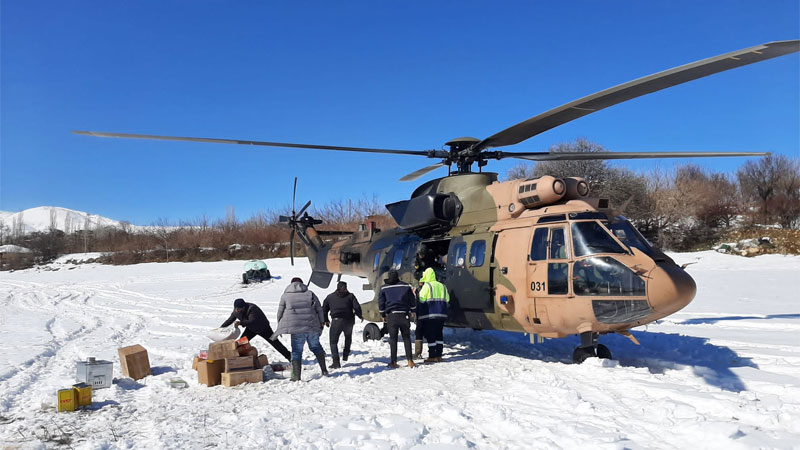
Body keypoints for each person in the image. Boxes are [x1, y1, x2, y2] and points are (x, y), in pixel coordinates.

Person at [272, 277, 327, 381]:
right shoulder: (310, 293)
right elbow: (319, 309)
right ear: (302, 284)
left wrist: (280, 325)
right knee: (316, 347)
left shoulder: (286, 296)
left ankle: (296, 377)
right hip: (311, 326)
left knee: (297, 352)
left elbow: (280, 312)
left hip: (296, 328)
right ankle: (324, 370)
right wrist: (321, 322)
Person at [220, 298, 291, 361]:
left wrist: (240, 323)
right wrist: (221, 328)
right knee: (241, 342)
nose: (237, 310)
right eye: (236, 309)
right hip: (251, 329)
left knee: (275, 343)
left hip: (263, 328)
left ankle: (289, 356)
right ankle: (239, 361)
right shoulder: (236, 311)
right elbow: (230, 319)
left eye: (239, 309)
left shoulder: (252, 308)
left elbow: (252, 321)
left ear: (244, 307)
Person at [378, 269, 416, 369]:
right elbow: (412, 300)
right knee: (406, 338)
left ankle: (394, 362)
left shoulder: (384, 288)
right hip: (404, 315)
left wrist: (383, 315)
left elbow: (381, 303)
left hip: (392, 316)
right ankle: (410, 360)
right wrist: (413, 311)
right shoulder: (406, 286)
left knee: (393, 339)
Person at [322, 281, 363, 369]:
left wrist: (325, 320)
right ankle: (345, 354)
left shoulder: (330, 297)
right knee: (348, 337)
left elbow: (324, 309)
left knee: (333, 341)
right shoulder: (350, 296)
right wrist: (360, 315)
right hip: (349, 320)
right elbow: (357, 307)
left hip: (337, 321)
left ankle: (336, 362)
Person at [417, 267, 450, 363]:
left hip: (430, 314)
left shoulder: (427, 286)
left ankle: (432, 356)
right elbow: (447, 299)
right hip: (442, 315)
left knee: (430, 335)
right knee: (439, 334)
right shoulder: (442, 286)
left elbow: (422, 299)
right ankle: (439, 355)